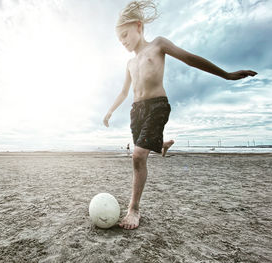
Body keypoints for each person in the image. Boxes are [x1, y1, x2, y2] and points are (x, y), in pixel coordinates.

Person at [103, 0, 257, 230]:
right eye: (119, 39)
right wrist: (110, 110)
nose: (123, 41)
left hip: (157, 105)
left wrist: (226, 75)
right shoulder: (129, 63)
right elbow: (124, 91)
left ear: (138, 26)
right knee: (143, 149)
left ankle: (133, 209)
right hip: (137, 112)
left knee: (137, 156)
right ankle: (163, 145)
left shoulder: (157, 45)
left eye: (125, 35)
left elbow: (189, 58)